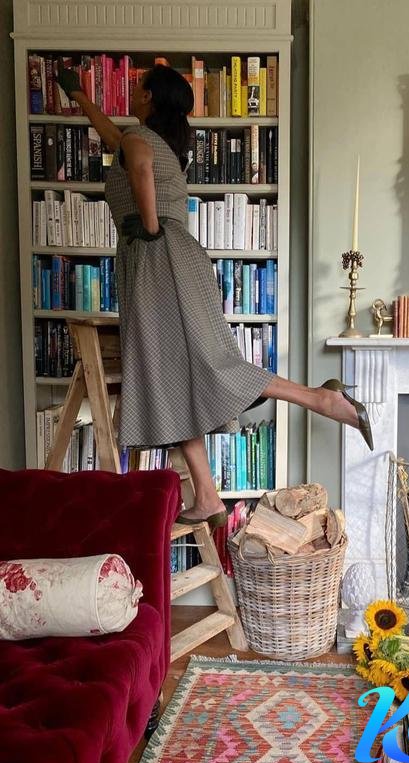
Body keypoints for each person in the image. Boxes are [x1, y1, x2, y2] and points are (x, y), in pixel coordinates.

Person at [56, 63, 373, 526]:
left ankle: (322, 400)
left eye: (138, 88)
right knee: (172, 377)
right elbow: (117, 141)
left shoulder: (139, 141)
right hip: (170, 257)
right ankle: (207, 495)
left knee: (207, 365)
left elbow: (137, 164)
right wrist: (81, 98)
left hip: (156, 257)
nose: (134, 94)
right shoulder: (146, 140)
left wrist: (148, 227)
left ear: (149, 97)